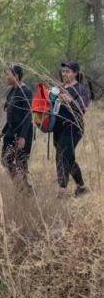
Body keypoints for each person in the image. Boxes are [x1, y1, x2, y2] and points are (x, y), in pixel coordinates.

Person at [53, 61, 90, 197]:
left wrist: (69, 100)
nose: (64, 74)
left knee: (62, 155)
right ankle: (81, 187)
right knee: (68, 157)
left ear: (75, 73)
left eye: (68, 71)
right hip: (58, 128)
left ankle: (62, 190)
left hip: (74, 128)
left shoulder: (81, 90)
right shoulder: (59, 89)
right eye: (63, 71)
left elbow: (83, 107)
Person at [0, 65, 33, 191]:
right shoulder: (12, 91)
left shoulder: (25, 91)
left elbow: (28, 116)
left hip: (23, 132)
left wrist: (23, 137)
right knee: (5, 159)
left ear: (16, 76)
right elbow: (11, 116)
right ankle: (20, 185)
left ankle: (25, 189)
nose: (6, 77)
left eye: (8, 74)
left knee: (21, 162)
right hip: (11, 132)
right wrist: (3, 131)